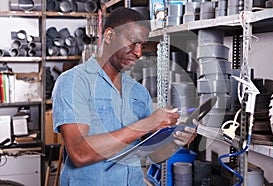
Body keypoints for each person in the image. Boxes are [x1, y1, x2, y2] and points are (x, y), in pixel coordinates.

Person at [52, 7, 196, 185]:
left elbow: (153, 153)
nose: (139, 53)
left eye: (142, 46)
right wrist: (146, 124)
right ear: (109, 36)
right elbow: (79, 153)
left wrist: (175, 141)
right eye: (133, 42)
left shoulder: (138, 91)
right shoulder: (73, 82)